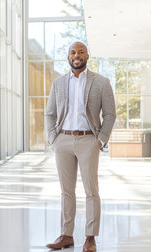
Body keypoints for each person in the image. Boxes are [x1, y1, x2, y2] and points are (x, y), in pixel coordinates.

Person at [44, 41, 116, 251]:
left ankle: (90, 237)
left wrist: (100, 140)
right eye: (73, 52)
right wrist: (52, 138)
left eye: (81, 52)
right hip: (63, 141)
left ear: (87, 56)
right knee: (66, 191)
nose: (77, 55)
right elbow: (50, 113)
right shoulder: (58, 83)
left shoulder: (101, 82)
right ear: (68, 57)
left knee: (91, 191)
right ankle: (66, 235)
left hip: (88, 141)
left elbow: (110, 114)